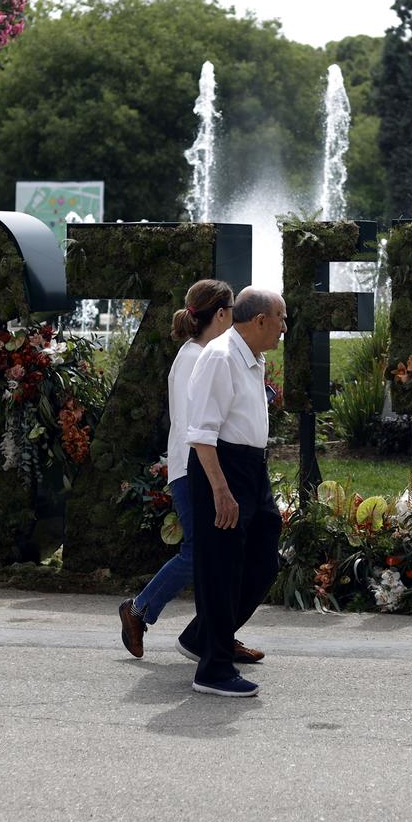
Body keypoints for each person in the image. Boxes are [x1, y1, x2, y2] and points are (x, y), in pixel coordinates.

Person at [117, 280, 265, 665]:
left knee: (224, 554)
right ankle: (140, 609)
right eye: (233, 310)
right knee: (201, 551)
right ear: (220, 314)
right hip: (192, 469)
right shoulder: (197, 357)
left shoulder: (210, 354)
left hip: (202, 466)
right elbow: (196, 425)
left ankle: (216, 633)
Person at [180, 287, 288, 697]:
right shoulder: (220, 356)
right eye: (281, 319)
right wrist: (220, 490)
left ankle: (203, 637)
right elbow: (202, 434)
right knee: (221, 569)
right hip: (220, 468)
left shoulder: (252, 358)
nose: (283, 328)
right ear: (260, 320)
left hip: (250, 468)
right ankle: (213, 669)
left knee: (263, 562)